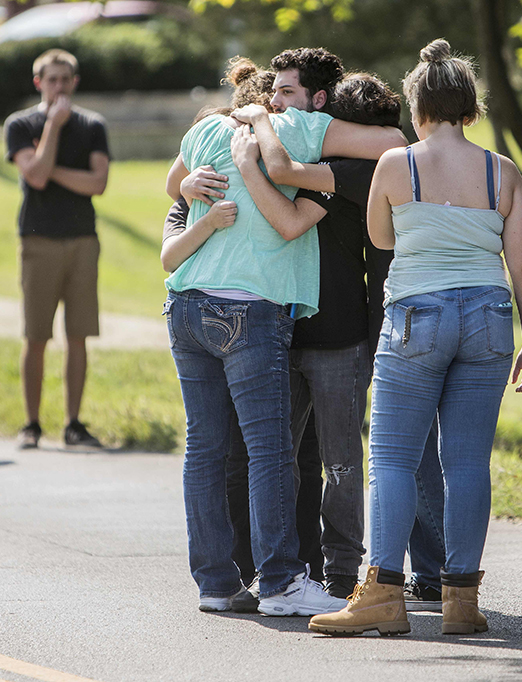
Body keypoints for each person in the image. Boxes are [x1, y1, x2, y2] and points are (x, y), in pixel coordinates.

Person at [309, 39, 522, 637]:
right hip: (490, 317)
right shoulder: (503, 172)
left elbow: (382, 241)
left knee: (391, 458)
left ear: (416, 108)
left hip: (417, 314)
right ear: (471, 109)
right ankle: (461, 599)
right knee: (466, 463)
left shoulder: (397, 164)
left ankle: (382, 591)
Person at [164, 65, 405, 616]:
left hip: (186, 302)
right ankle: (279, 584)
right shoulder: (302, 126)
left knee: (205, 448)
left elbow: (174, 182)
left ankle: (217, 584)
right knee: (272, 452)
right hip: (251, 304)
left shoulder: (208, 128)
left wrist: (186, 183)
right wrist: (272, 144)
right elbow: (392, 140)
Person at [228, 71, 402, 599]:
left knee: (342, 464)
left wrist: (372, 345)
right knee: (283, 460)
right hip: (281, 330)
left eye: (289, 96)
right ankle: (288, 567)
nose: (278, 107)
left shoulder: (346, 171)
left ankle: (343, 571)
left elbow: (377, 270)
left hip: (339, 338)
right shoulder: (288, 153)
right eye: (272, 97)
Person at [5, 48, 110, 450]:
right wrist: (51, 127)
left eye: (66, 79)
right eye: (52, 79)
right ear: (39, 83)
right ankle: (31, 423)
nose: (60, 86)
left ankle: (73, 424)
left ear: (75, 82)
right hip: (38, 240)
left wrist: (51, 172)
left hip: (83, 239)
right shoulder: (21, 123)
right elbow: (33, 176)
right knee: (36, 336)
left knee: (79, 335)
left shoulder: (93, 126)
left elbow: (97, 183)